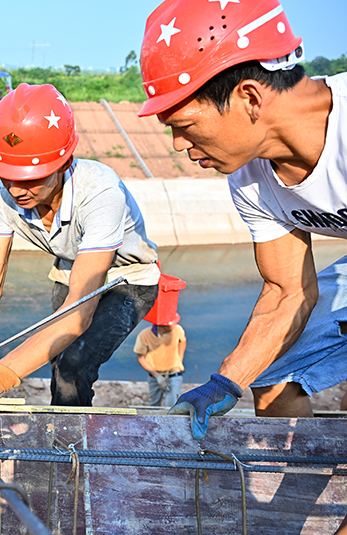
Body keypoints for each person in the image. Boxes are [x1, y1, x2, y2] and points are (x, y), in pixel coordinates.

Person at [138, 0, 347, 446]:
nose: (178, 144)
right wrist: (224, 382)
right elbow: (287, 292)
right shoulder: (250, 175)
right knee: (270, 377)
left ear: (250, 97)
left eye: (185, 124)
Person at [0, 83, 160, 429]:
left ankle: (72, 446)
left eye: (31, 179)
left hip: (128, 281)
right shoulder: (3, 197)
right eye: (6, 177)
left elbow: (77, 315)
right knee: (56, 362)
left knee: (74, 364)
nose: (17, 190)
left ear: (64, 161)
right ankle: (64, 426)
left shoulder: (99, 192)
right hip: (70, 272)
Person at [134, 314, 186, 407]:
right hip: (155, 375)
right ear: (162, 325)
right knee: (154, 405)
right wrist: (157, 376)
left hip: (174, 373)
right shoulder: (144, 335)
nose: (174, 325)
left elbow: (182, 341)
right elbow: (141, 358)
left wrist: (179, 359)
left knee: (171, 405)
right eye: (171, 324)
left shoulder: (177, 330)